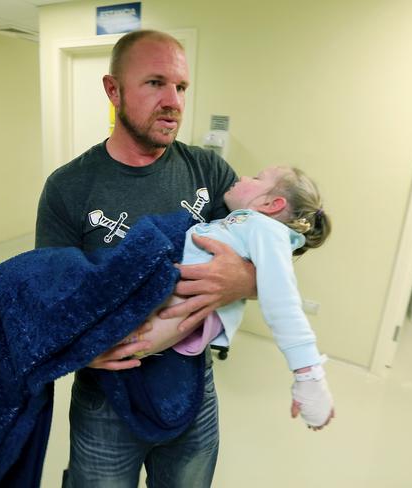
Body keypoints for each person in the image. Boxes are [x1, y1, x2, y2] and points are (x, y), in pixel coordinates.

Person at [36, 29, 256, 488]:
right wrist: (81, 348)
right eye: (155, 83)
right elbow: (50, 299)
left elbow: (268, 252)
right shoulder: (69, 188)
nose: (174, 100)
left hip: (193, 388)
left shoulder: (209, 172)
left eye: (181, 87)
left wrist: (244, 280)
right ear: (112, 90)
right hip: (106, 402)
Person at [121, 165, 335, 429]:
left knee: (124, 343)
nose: (243, 177)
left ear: (271, 203)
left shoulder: (266, 229)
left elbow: (282, 299)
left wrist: (308, 373)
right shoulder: (243, 222)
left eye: (256, 178)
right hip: (169, 290)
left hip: (185, 303)